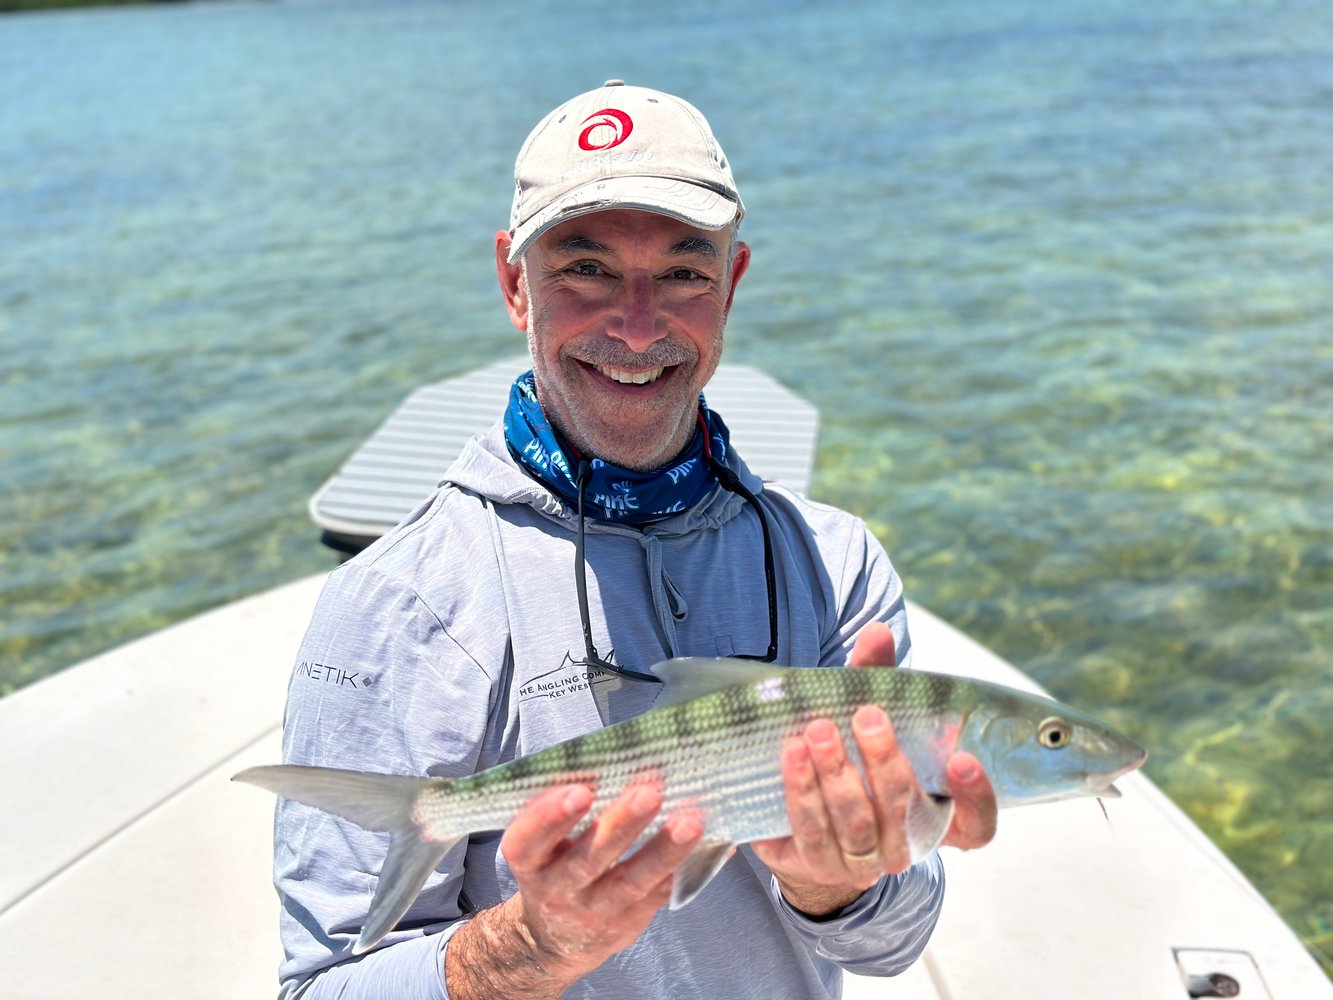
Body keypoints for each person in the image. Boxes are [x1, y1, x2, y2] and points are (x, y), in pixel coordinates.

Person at [274, 80, 997, 999]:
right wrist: (532, 947)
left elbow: (892, 946)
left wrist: (835, 885)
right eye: (585, 268)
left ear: (730, 286)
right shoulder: (394, 602)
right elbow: (321, 988)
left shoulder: (837, 565)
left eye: (686, 272)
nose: (637, 323)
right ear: (513, 284)